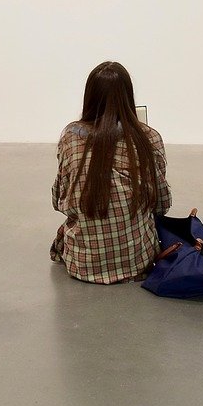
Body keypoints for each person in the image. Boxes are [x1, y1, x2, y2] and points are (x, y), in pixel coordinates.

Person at [51, 61, 172, 284]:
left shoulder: (70, 138)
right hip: (138, 261)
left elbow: (59, 200)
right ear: (128, 96)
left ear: (90, 97)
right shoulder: (149, 138)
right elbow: (162, 203)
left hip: (83, 265)